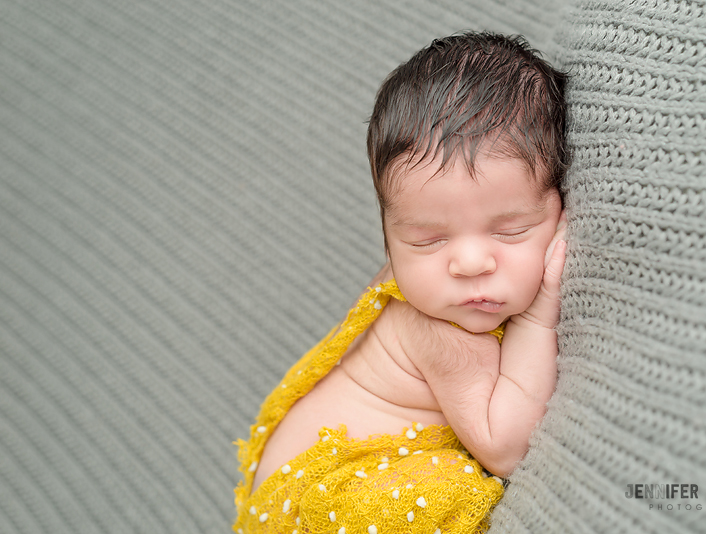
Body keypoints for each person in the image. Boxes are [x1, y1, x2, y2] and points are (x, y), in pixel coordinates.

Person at [233, 31, 568, 534]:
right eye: (428, 241)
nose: (470, 262)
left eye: (510, 230)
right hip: (329, 493)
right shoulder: (437, 330)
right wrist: (539, 317)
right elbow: (504, 447)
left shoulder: (440, 286)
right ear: (390, 241)